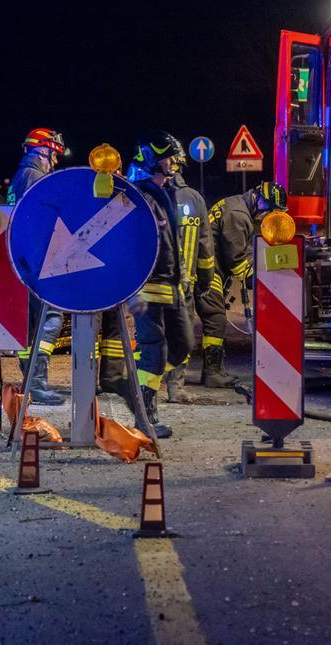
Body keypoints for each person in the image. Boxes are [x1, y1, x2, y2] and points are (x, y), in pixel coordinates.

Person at [127, 131, 194, 439]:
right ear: (154, 160)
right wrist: (133, 291)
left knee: (182, 345)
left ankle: (142, 387)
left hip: (172, 286)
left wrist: (183, 281)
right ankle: (145, 414)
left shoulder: (165, 193)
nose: (174, 163)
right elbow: (131, 247)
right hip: (148, 287)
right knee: (154, 350)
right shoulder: (139, 197)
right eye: (169, 157)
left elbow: (174, 245)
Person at [195, 181, 286, 388]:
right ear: (259, 199)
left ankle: (211, 372)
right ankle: (213, 373)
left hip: (209, 269)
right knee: (215, 319)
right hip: (207, 273)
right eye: (268, 209)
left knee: (213, 318)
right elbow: (236, 260)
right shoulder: (238, 215)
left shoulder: (237, 206)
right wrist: (259, 280)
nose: (267, 214)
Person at [6, 127, 71, 406]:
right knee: (50, 316)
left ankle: (32, 380)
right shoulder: (33, 177)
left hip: (26, 259)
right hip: (37, 261)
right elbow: (41, 220)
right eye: (53, 155)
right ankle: (37, 383)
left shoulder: (23, 175)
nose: (54, 161)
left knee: (32, 324)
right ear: (44, 151)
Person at [160, 136, 213, 404]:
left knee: (153, 335)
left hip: (153, 283)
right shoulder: (194, 199)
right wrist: (205, 281)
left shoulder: (151, 196)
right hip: (185, 285)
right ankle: (176, 387)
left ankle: (148, 387)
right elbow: (205, 247)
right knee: (182, 335)